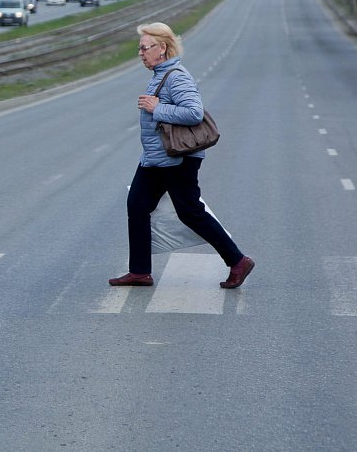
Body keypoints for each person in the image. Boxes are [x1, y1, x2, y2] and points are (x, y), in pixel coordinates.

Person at [109, 22, 256, 288]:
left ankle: (238, 261)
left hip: (177, 159)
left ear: (162, 48)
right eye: (140, 48)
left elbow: (194, 112)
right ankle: (140, 271)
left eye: (144, 48)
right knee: (137, 205)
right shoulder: (160, 74)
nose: (140, 53)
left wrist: (157, 108)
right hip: (157, 158)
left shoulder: (176, 76)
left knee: (190, 211)